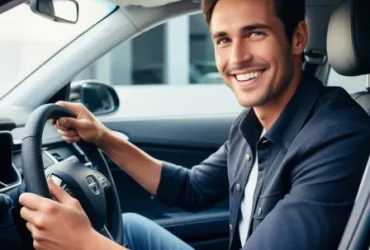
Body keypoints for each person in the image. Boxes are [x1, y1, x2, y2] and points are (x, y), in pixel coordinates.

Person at [19, 0, 370, 249]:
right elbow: (192, 188)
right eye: (223, 40)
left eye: (256, 33)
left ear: (297, 38)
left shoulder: (338, 135)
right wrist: (103, 138)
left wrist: (84, 243)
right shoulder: (252, 124)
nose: (237, 58)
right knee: (137, 228)